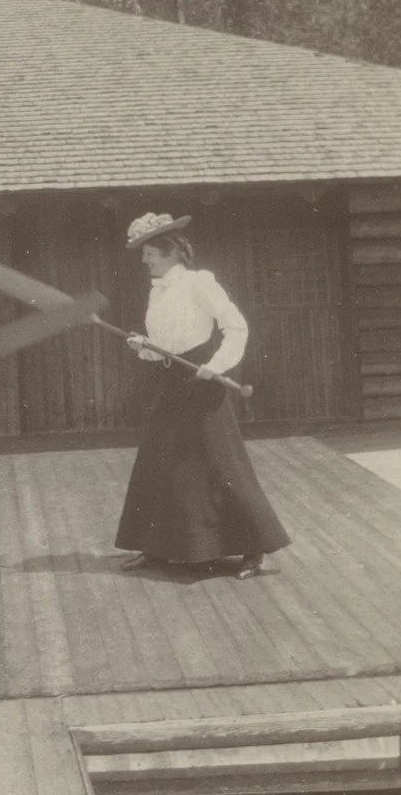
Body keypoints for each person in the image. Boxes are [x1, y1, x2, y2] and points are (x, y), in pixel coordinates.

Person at [115, 213, 290, 579]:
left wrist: (218, 364)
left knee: (220, 463)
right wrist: (144, 346)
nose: (144, 260)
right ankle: (157, 548)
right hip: (170, 381)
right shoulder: (158, 290)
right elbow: (166, 345)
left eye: (149, 253)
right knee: (159, 461)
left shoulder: (199, 283)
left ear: (172, 252)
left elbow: (236, 325)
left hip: (202, 380)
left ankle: (253, 550)